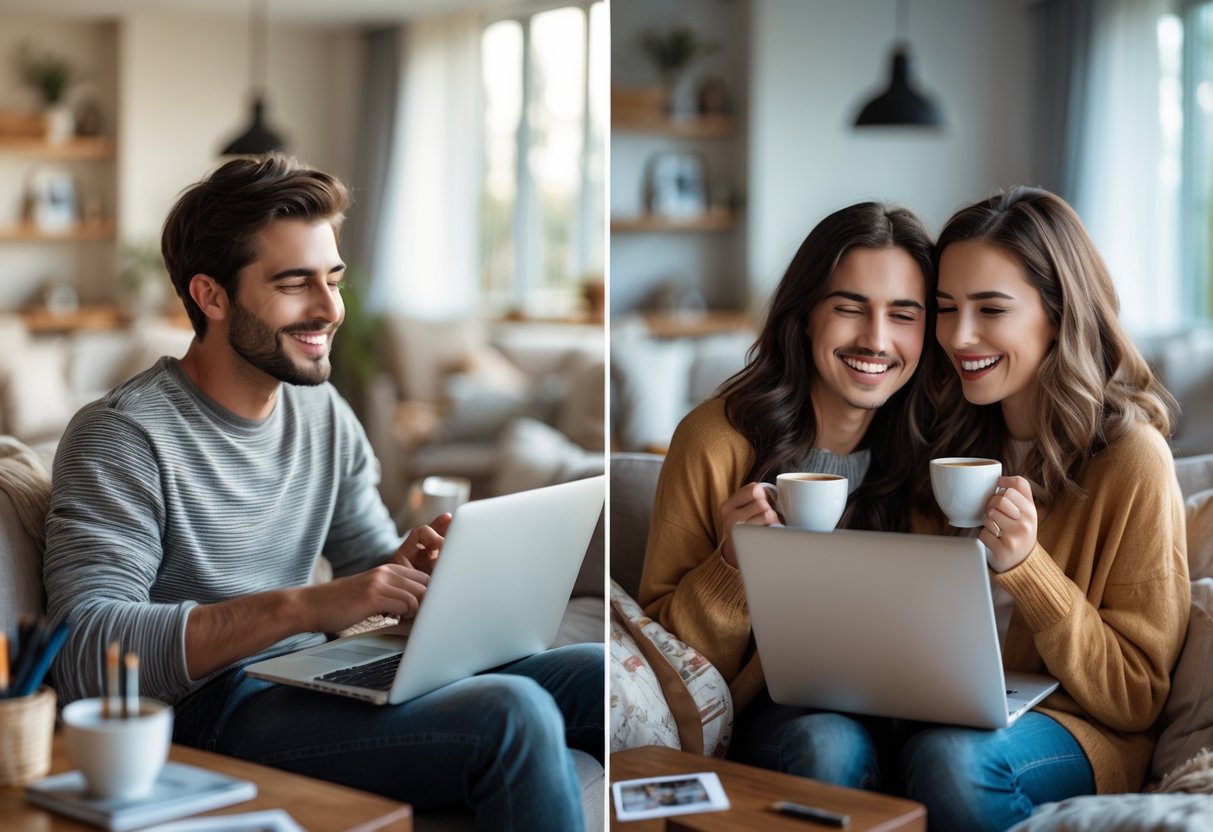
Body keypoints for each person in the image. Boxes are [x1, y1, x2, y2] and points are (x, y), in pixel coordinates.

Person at [43, 154, 603, 831]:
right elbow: (86, 646)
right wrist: (308, 604)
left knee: (594, 671)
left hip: (309, 673)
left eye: (333, 279)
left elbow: (370, 560)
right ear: (211, 296)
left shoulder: (321, 412)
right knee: (513, 714)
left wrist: (420, 570)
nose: (329, 308)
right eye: (294, 284)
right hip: (209, 711)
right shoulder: (123, 436)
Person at [783, 187, 1190, 832]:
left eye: (990, 309)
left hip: (1071, 729)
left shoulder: (1131, 460)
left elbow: (1136, 696)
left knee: (952, 759)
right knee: (830, 744)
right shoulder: (942, 441)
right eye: (945, 308)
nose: (959, 336)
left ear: (1058, 315)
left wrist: (1029, 569)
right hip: (933, 711)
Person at [636, 202, 937, 771]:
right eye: (850, 308)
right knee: (829, 746)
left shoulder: (932, 450)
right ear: (804, 316)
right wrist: (730, 568)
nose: (876, 340)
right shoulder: (714, 440)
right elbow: (667, 664)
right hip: (770, 711)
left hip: (906, 699)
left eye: (903, 314)